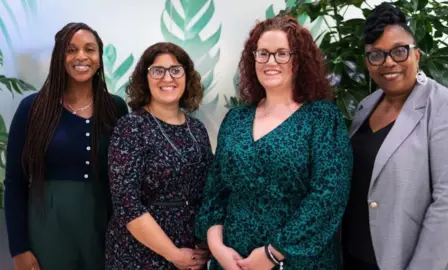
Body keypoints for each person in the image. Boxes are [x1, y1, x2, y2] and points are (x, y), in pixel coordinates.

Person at [195, 16, 352, 270]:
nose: (270, 62)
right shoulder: (236, 119)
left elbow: (328, 196)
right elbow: (216, 190)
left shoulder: (322, 117)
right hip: (233, 261)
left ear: (298, 61)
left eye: (282, 54)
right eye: (263, 54)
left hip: (298, 262)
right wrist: (217, 247)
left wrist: (273, 253)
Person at [341, 3, 448, 270]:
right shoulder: (366, 106)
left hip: (405, 261)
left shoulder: (446, 107)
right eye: (376, 55)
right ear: (367, 63)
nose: (389, 62)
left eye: (399, 51)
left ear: (417, 54)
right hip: (356, 256)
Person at [4, 22, 128, 270]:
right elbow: (14, 183)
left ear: (99, 58)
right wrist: (19, 248)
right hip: (48, 232)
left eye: (89, 49)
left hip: (102, 231)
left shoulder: (116, 108)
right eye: (71, 50)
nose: (81, 56)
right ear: (59, 57)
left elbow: (123, 180)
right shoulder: (32, 108)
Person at [105, 42, 212, 270]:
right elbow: (127, 204)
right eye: (157, 71)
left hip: (192, 252)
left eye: (175, 70)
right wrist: (173, 254)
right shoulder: (131, 127)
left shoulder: (198, 129)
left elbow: (210, 191)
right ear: (145, 79)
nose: (167, 78)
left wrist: (205, 246)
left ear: (187, 76)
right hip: (140, 253)